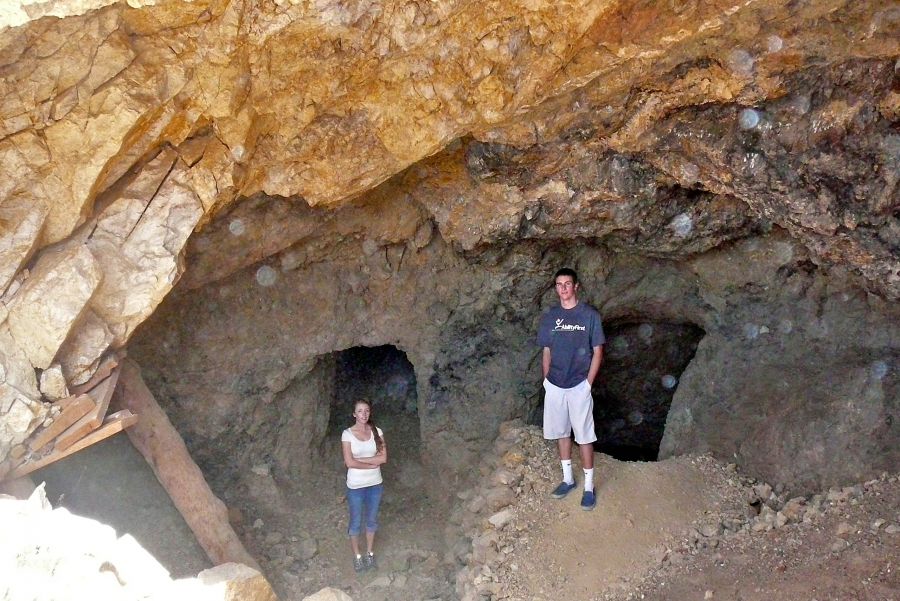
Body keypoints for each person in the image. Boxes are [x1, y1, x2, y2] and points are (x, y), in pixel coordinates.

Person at [536, 267, 605, 510]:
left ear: (576, 287)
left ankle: (588, 486)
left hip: (578, 385)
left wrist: (587, 383)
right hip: (555, 384)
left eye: (567, 284)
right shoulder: (550, 317)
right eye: (559, 284)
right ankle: (568, 479)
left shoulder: (589, 316)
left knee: (584, 436)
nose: (563, 288)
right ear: (556, 288)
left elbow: (598, 351)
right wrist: (547, 380)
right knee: (562, 433)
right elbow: (546, 350)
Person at [341, 399, 388, 572]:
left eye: (366, 411)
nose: (364, 414)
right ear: (354, 414)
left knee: (371, 520)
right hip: (355, 486)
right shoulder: (347, 434)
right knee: (355, 522)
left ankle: (369, 553)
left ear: (370, 413)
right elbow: (348, 462)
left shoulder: (377, 432)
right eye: (360, 411)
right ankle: (357, 556)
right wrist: (371, 463)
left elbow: (383, 458)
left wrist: (359, 460)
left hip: (375, 484)